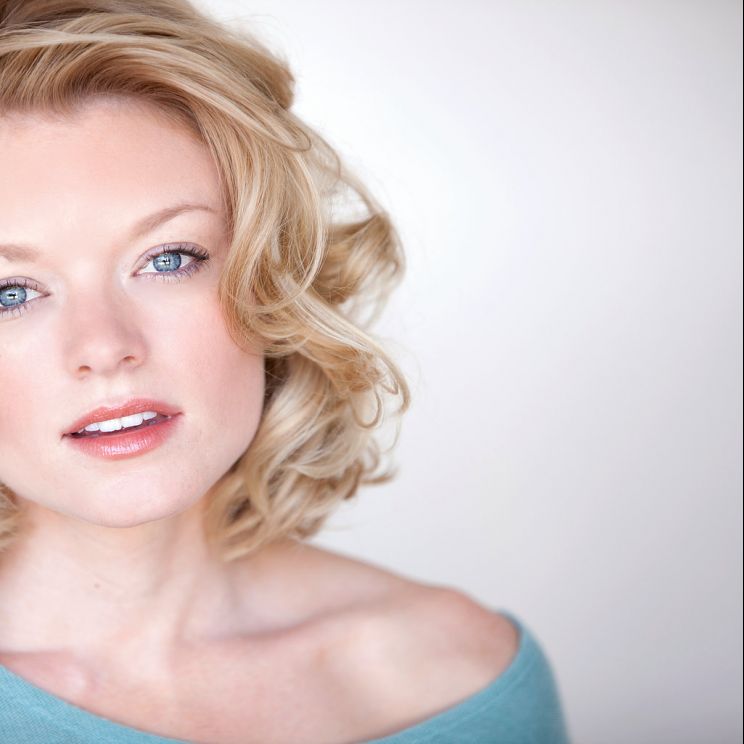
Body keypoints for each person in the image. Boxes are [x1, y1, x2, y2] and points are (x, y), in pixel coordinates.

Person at [0, 1, 570, 742]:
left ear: (272, 281)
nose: (105, 346)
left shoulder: (461, 680)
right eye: (9, 293)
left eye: (168, 259)